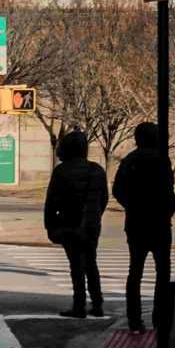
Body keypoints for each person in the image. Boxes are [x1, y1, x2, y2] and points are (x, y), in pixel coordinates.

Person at [112, 122, 175, 333]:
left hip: (136, 223)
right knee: (162, 272)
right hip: (159, 223)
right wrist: (170, 207)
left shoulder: (130, 160)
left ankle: (135, 320)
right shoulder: (161, 160)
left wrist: (132, 207)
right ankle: (160, 318)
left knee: (135, 272)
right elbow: (168, 190)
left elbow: (117, 190)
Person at [44, 129, 109, 318]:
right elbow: (103, 198)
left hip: (68, 224)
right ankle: (97, 304)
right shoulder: (97, 170)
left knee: (76, 266)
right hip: (91, 225)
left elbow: (52, 201)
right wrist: (95, 216)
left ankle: (79, 305)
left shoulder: (61, 171)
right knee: (91, 263)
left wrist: (51, 226)